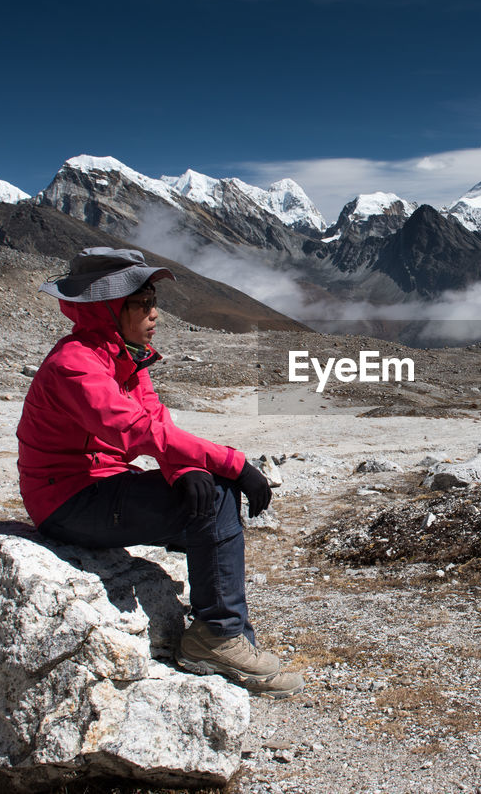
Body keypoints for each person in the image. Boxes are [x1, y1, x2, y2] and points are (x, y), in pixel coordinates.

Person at [16, 246, 303, 698]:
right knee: (220, 498)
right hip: (67, 501)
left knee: (207, 489)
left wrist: (187, 467)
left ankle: (224, 632)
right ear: (111, 308)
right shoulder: (75, 364)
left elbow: (156, 423)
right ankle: (219, 636)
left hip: (99, 486)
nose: (155, 315)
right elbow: (132, 429)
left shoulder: (124, 356)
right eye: (144, 303)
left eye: (154, 302)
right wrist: (234, 462)